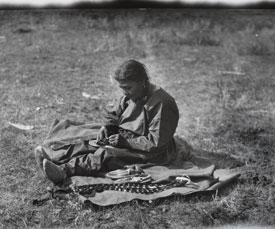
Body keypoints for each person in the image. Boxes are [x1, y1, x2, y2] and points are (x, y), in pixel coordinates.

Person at [35, 59, 180, 184]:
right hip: (127, 138)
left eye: (128, 88)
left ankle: (62, 171)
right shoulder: (132, 95)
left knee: (106, 155)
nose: (125, 92)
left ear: (142, 82)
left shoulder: (162, 104)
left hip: (152, 152)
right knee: (89, 142)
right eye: (122, 88)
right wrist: (108, 127)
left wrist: (126, 142)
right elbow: (114, 114)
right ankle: (53, 158)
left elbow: (156, 143)